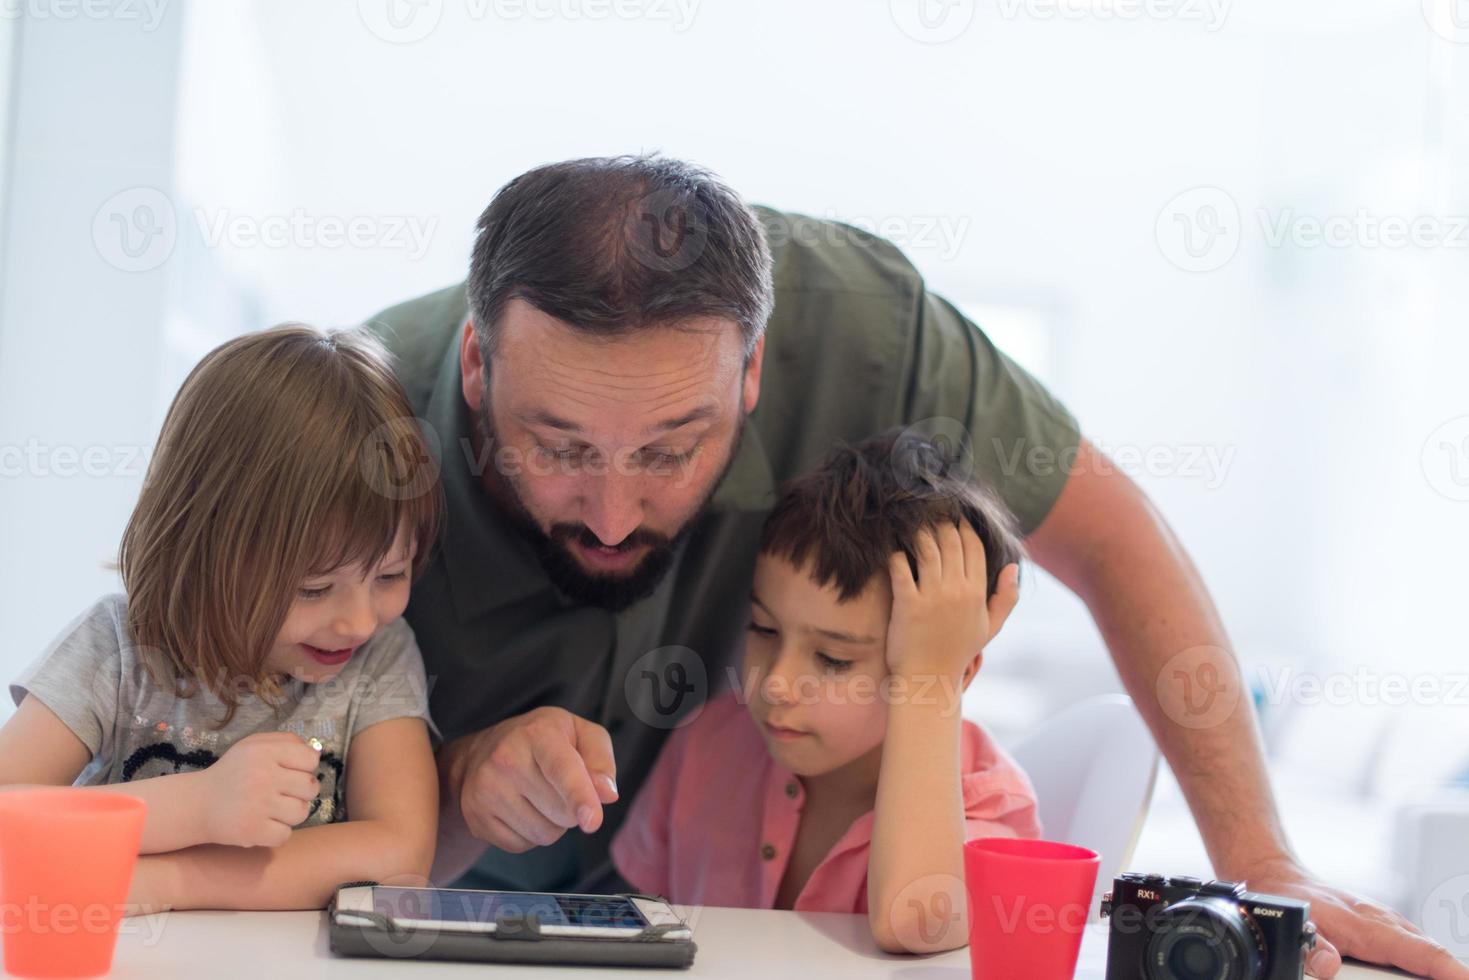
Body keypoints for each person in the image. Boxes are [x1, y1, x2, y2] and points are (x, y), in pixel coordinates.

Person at [368, 155, 1464, 979]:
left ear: (753, 374)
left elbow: (1110, 535)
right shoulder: (351, 415)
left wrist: (1262, 853)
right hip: (423, 905)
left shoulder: (862, 327)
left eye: (669, 450)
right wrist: (457, 780)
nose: (612, 512)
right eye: (558, 447)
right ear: (476, 361)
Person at [0, 326, 444, 911]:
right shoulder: (118, 645)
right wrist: (198, 806)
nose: (360, 622)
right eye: (313, 589)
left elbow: (400, 850)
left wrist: (168, 883)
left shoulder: (379, 657)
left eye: (390, 576)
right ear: (205, 552)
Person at [612, 430, 1041, 953]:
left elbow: (915, 920)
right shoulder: (709, 743)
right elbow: (638, 932)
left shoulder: (990, 805)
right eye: (765, 630)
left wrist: (929, 685)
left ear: (954, 673)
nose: (775, 683)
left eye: (834, 659)